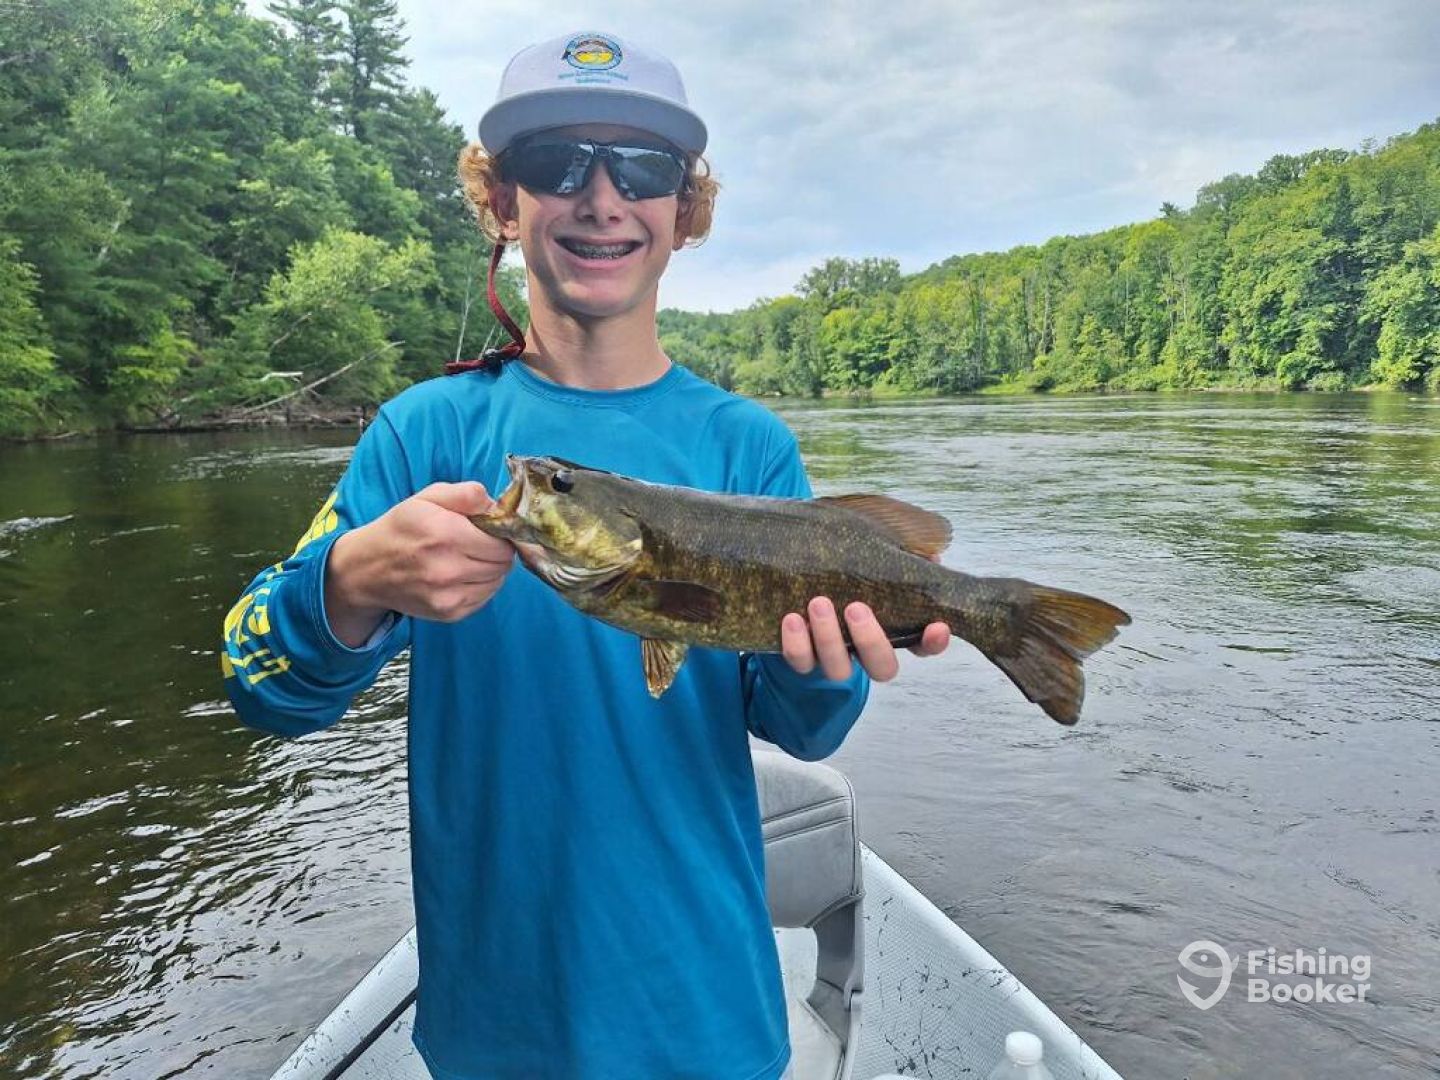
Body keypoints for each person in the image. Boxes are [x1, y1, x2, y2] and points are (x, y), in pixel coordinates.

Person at [223, 30, 950, 1080]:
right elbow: (261, 686)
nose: (602, 198)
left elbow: (799, 723)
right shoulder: (426, 435)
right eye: (556, 163)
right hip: (495, 1024)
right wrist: (347, 583)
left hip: (705, 1013)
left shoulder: (747, 446)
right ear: (502, 201)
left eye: (643, 168)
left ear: (683, 212)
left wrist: (826, 667)